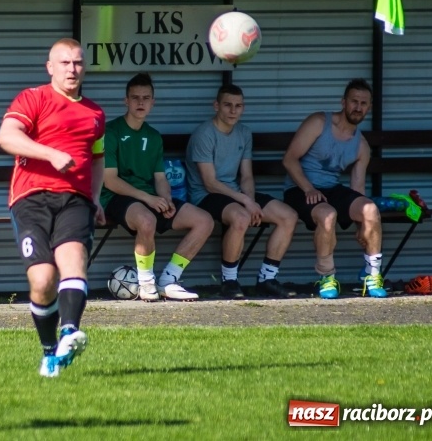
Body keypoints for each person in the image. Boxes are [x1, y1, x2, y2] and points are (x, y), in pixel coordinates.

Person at [0, 38, 105, 378]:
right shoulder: (33, 98)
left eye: (77, 63)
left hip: (76, 199)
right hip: (31, 198)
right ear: (50, 67)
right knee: (42, 280)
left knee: (74, 264)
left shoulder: (95, 113)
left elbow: (98, 159)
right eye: (64, 63)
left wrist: (96, 197)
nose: (72, 69)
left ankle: (70, 332)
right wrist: (51, 153)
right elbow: (6, 137)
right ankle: (49, 352)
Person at [101, 73, 214, 301]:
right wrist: (149, 199)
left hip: (148, 197)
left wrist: (166, 199)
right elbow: (110, 180)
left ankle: (169, 280)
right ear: (126, 101)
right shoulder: (110, 131)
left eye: (146, 98)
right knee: (147, 220)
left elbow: (161, 178)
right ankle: (146, 283)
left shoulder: (153, 136)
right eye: (135, 98)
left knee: (204, 221)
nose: (140, 103)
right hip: (115, 197)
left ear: (153, 102)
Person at [186, 84, 299, 300]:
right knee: (241, 217)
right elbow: (210, 183)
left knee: (288, 216)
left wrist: (250, 199)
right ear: (216, 105)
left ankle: (267, 279)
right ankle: (229, 282)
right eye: (227, 105)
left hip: (236, 194)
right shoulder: (204, 134)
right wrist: (245, 202)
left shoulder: (244, 133)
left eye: (238, 106)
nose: (233, 110)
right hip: (206, 197)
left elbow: (246, 175)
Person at [282, 78, 386, 299]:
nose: (358, 107)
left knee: (370, 209)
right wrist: (309, 189)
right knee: (328, 215)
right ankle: (327, 276)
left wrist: (362, 224)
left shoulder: (362, 146)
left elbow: (357, 187)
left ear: (369, 107)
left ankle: (372, 274)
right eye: (354, 101)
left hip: (331, 189)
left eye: (363, 103)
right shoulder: (319, 122)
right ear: (343, 102)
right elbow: (290, 160)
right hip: (300, 188)